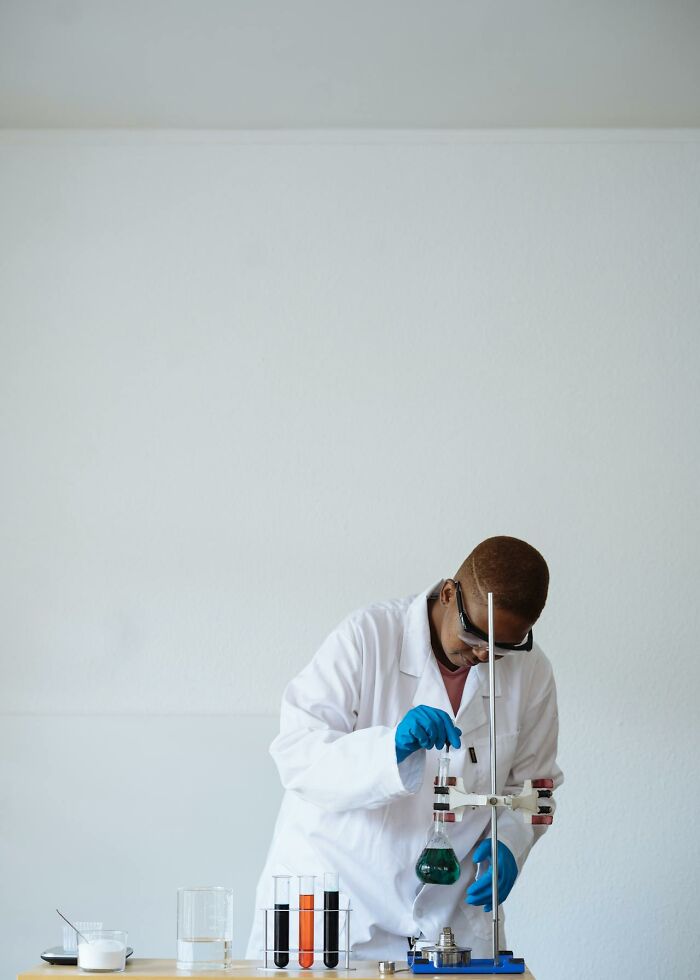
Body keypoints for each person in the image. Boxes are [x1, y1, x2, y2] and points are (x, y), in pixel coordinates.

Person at [246, 536, 563, 962]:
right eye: (474, 634)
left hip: (450, 924)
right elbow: (296, 753)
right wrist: (387, 749)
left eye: (503, 647)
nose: (483, 653)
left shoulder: (533, 673)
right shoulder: (369, 636)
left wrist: (511, 840)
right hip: (341, 908)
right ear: (450, 594)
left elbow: (536, 789)